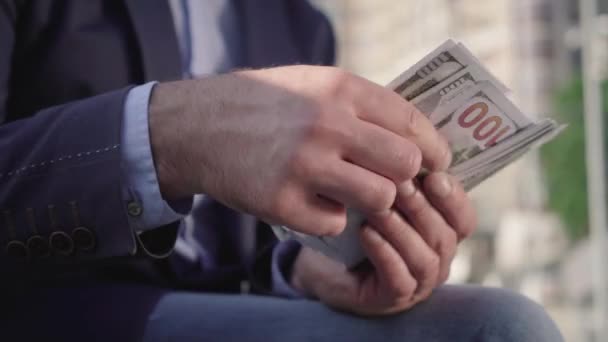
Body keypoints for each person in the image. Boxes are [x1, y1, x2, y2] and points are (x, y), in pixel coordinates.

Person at [0, 0, 563, 341]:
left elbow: (245, 255)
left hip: (229, 309)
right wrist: (173, 133)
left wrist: (307, 270)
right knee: (498, 332)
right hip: (41, 312)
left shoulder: (300, 24)